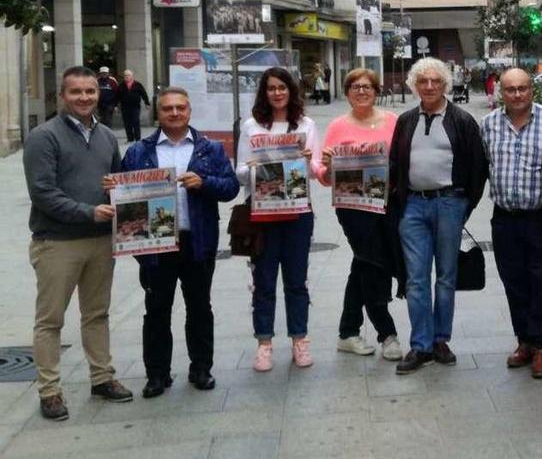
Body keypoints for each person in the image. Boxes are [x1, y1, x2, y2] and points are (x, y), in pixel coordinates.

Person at [110, 87, 239, 398]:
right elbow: (122, 197)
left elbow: (231, 187)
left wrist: (204, 183)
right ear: (159, 113)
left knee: (199, 308)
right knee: (156, 309)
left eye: (181, 108)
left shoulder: (209, 149)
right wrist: (113, 189)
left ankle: (201, 368)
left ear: (189, 111)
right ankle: (157, 374)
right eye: (168, 108)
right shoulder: (139, 152)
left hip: (198, 241)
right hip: (155, 244)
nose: (175, 113)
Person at [23, 66, 132, 421]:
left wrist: (123, 196)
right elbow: (43, 193)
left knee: (97, 314)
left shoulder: (105, 136)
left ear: (98, 93)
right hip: (58, 243)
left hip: (100, 242)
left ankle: (102, 377)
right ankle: (50, 390)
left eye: (89, 91)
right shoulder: (44, 136)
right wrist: (88, 212)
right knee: (50, 319)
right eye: (76, 92)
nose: (84, 98)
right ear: (62, 95)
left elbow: (116, 184)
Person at [389, 57, 487, 375]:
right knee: (416, 279)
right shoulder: (405, 121)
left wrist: (463, 207)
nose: (429, 86)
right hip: (414, 207)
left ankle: (441, 340)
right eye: (423, 81)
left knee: (446, 276)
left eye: (435, 81)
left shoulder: (462, 120)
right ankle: (421, 345)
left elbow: (477, 169)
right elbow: (394, 164)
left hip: (450, 204)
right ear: (414, 86)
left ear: (445, 84)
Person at [235, 67, 320, 372]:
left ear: (291, 90)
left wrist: (310, 161)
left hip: (298, 212)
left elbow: (315, 170)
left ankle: (300, 339)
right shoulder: (251, 127)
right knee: (264, 281)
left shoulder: (306, 125)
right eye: (271, 88)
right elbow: (240, 174)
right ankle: (264, 343)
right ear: (264, 92)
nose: (277, 93)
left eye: (282, 87)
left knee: (297, 280)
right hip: (262, 213)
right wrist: (255, 166)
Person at [316, 68, 403, 361]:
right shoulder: (337, 126)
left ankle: (347, 331)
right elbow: (324, 175)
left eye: (366, 86)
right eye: (354, 86)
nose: (361, 91)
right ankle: (387, 333)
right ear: (347, 91)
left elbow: (404, 159)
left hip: (388, 203)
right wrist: (327, 167)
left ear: (376, 91)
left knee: (364, 264)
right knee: (374, 262)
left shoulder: (393, 121)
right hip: (352, 207)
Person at [480, 68, 542, 379]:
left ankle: (541, 345)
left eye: (522, 89)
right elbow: (483, 164)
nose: (516, 95)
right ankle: (524, 340)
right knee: (513, 280)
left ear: (532, 90)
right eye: (510, 89)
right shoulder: (488, 125)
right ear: (501, 91)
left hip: (540, 218)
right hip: (505, 219)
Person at [117, 69, 151, 142]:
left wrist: (147, 103)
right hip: (125, 107)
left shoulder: (137, 84)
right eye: (125, 75)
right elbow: (117, 96)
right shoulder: (121, 85)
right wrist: (115, 105)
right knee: (127, 123)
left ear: (132, 76)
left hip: (135, 107)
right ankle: (130, 138)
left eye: (128, 75)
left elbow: (143, 94)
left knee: (135, 121)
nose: (126, 77)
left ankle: (138, 138)